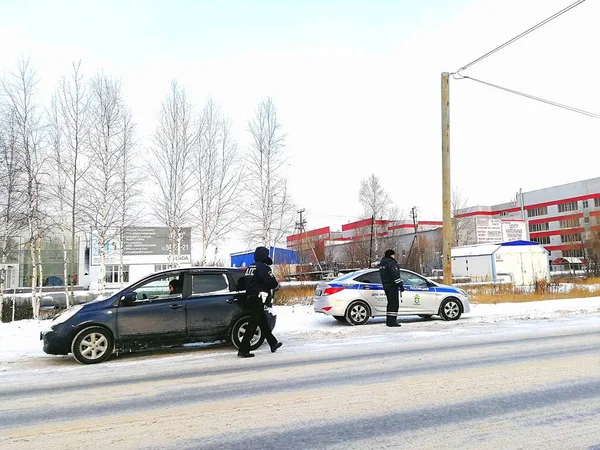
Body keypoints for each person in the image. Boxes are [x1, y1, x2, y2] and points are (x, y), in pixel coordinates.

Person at [238, 246, 283, 358]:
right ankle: (243, 349)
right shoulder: (263, 267)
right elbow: (271, 282)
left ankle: (273, 343)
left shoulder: (251, 267)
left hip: (250, 296)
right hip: (258, 297)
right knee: (252, 324)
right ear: (264, 256)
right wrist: (277, 286)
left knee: (262, 321)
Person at [379, 249, 404, 327]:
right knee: (394, 304)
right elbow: (395, 275)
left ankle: (389, 321)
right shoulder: (391, 263)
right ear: (391, 255)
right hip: (392, 285)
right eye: (394, 255)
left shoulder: (382, 263)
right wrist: (400, 285)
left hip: (385, 285)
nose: (394, 256)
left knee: (390, 303)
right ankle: (392, 322)